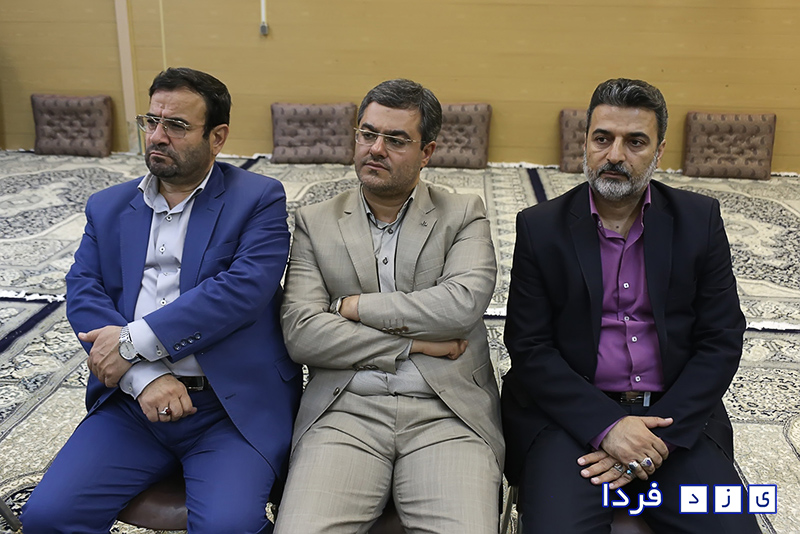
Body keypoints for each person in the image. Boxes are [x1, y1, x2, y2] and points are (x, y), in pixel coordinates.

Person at [21, 67, 302, 534]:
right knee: (49, 517)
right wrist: (144, 375)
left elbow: (243, 290)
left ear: (217, 137)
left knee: (228, 527)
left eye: (177, 125)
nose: (157, 136)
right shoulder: (108, 206)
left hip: (229, 408)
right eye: (151, 121)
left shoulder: (257, 199)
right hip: (133, 406)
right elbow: (85, 290)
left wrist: (131, 343)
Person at [502, 78, 760, 533]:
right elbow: (529, 347)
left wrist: (657, 439)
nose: (615, 155)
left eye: (635, 142)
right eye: (603, 139)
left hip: (675, 420)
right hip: (571, 421)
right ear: (585, 143)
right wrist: (608, 427)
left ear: (659, 152)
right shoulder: (541, 228)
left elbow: (720, 340)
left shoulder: (699, 220)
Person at [275, 78, 504, 534]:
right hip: (345, 411)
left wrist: (354, 306)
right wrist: (414, 345)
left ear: (427, 151)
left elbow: (459, 308)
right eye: (367, 134)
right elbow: (302, 334)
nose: (376, 149)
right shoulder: (316, 222)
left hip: (446, 414)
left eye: (396, 140)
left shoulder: (463, 214)